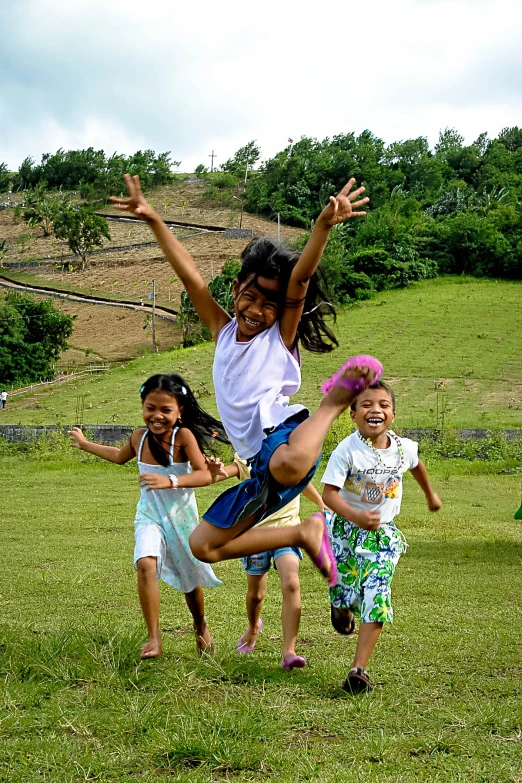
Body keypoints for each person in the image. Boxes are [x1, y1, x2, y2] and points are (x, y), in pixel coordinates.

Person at [110, 174, 380, 584]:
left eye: (270, 304)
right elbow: (190, 278)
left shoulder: (280, 337)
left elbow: (301, 281)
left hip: (286, 438)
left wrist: (322, 226)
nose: (257, 310)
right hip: (259, 466)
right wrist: (152, 219)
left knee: (287, 465)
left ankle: (333, 403)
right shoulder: (221, 331)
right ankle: (304, 534)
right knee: (203, 545)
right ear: (235, 288)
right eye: (250, 297)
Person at [69, 373, 228, 660]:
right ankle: (154, 637)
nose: (156, 416)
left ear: (180, 411)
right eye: (150, 408)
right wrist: (85, 443)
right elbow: (119, 456)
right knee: (145, 563)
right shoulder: (139, 437)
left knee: (190, 583)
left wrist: (172, 481)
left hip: (180, 519)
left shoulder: (184, 437)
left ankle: (199, 623)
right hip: (149, 516)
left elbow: (204, 475)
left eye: (165, 410)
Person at [321, 381, 442, 693]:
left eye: (383, 405)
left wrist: (430, 495)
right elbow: (329, 495)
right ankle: (341, 605)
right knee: (346, 590)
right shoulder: (346, 450)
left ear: (393, 414)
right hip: (345, 531)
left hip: (382, 534)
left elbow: (417, 467)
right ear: (353, 415)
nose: (375, 409)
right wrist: (357, 516)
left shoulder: (404, 448)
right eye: (366, 404)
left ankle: (358, 669)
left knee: (377, 590)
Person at [209, 454, 325, 669]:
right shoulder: (249, 454)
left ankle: (289, 651)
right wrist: (215, 471)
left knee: (291, 583)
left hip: (288, 531)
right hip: (256, 535)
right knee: (256, 595)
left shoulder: (290, 450)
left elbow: (300, 481)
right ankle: (253, 627)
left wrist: (320, 501)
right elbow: (231, 471)